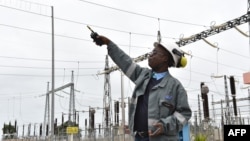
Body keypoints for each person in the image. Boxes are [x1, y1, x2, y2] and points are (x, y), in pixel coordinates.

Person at [90, 33, 192, 141]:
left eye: (154, 52)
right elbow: (125, 62)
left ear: (165, 58)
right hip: (139, 137)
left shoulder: (175, 87)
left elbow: (184, 114)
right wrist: (109, 43)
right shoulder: (142, 76)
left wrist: (165, 126)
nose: (150, 55)